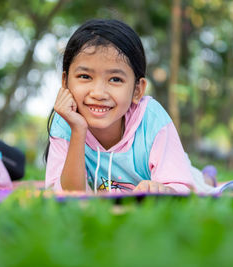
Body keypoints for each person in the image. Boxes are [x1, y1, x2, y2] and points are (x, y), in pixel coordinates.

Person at [44, 19, 216, 194]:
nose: (98, 93)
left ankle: (208, 175)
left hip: (166, 170)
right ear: (65, 81)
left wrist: (163, 189)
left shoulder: (151, 118)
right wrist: (78, 130)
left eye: (115, 79)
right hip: (106, 187)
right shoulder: (65, 120)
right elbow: (69, 194)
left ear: (137, 90)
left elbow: (180, 188)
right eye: (85, 76)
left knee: (201, 184)